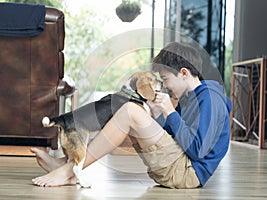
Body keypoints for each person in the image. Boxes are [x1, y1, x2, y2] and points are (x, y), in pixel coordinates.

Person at [31, 41, 232, 189]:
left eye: (166, 79)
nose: (165, 86)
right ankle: (70, 166)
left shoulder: (211, 99)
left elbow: (197, 150)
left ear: (184, 73)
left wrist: (169, 110)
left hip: (187, 173)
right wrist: (156, 112)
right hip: (176, 163)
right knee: (130, 107)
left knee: (129, 111)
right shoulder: (188, 98)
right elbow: (168, 135)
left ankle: (68, 172)